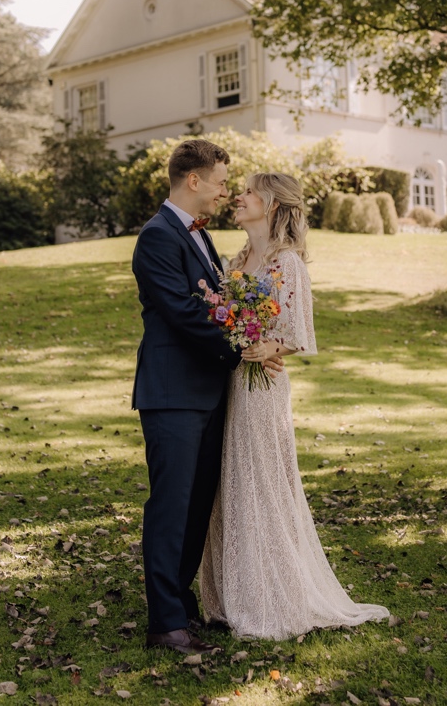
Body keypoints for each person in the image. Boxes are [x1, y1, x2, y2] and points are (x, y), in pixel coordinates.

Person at [200, 171, 390, 640]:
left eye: (246, 192)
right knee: (229, 483)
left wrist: (269, 349)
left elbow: (298, 333)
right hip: (227, 383)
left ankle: (271, 597)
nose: (237, 198)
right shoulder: (237, 259)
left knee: (259, 482)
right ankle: (229, 594)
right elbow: (224, 318)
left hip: (261, 389)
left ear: (273, 203)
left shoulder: (288, 264)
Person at [131, 139, 285, 653]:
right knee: (171, 508)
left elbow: (219, 302)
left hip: (207, 393)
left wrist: (255, 342)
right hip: (173, 394)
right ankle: (164, 626)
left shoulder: (199, 236)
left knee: (196, 509)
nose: (225, 191)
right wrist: (246, 348)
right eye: (221, 182)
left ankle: (181, 608)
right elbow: (183, 311)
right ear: (193, 181)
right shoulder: (157, 237)